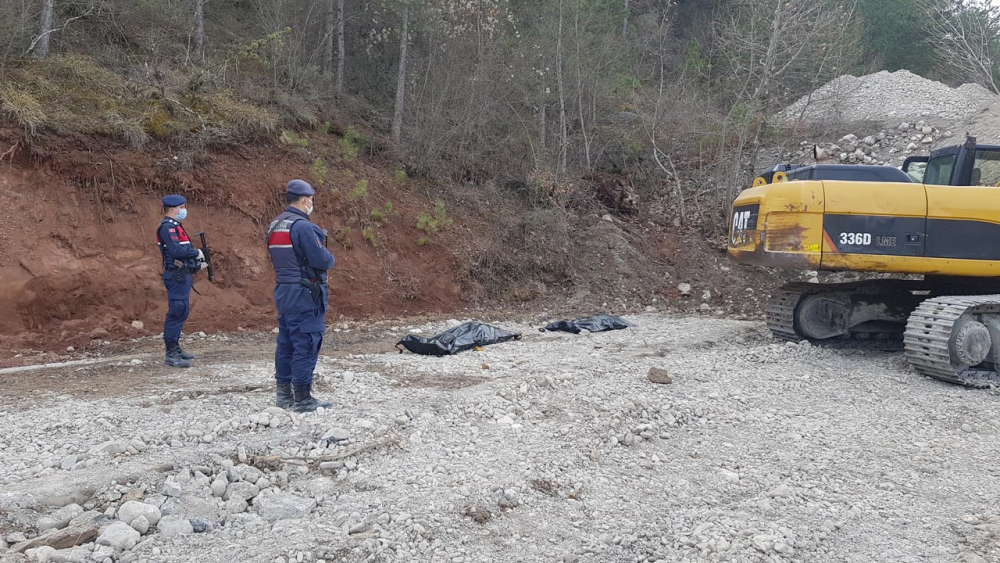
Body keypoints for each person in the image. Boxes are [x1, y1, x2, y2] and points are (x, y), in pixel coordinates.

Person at [267, 180, 336, 412]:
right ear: (305, 200)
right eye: (311, 200)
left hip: (284, 292)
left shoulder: (275, 225)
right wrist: (329, 256)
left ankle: (283, 395)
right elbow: (322, 260)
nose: (312, 204)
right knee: (306, 344)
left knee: (285, 344)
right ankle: (303, 398)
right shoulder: (304, 227)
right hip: (305, 294)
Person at [157, 195, 207, 368]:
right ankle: (170, 353)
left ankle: (176, 347)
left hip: (182, 274)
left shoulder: (176, 226)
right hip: (176, 275)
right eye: (182, 207)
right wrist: (196, 253)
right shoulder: (168, 227)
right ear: (172, 209)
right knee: (177, 311)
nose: (183, 210)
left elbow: (181, 249)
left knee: (182, 311)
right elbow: (176, 250)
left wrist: (196, 262)